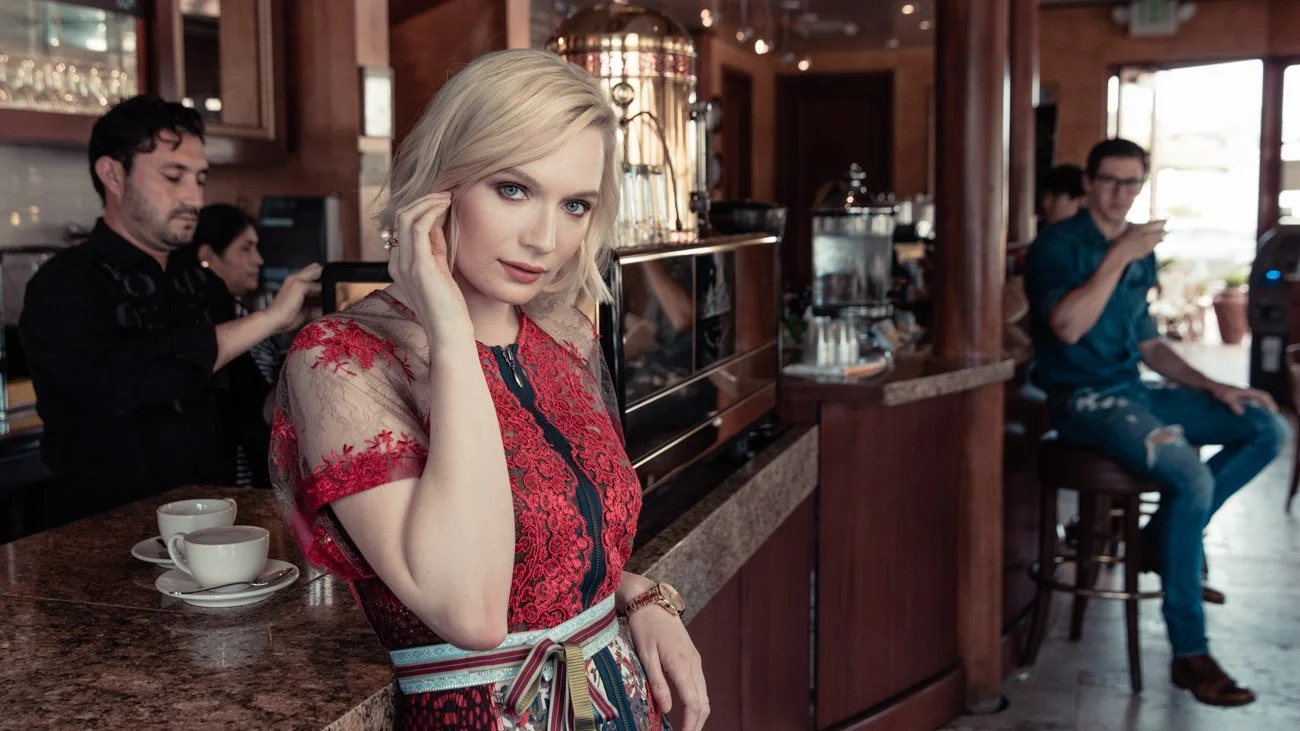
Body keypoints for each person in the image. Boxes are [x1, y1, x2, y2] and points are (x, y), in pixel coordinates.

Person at [270, 49, 708, 729]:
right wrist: (448, 327)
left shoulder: (565, 334)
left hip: (620, 701)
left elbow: (557, 542)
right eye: (512, 188)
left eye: (575, 205)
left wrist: (639, 595)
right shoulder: (340, 360)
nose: (544, 237)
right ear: (441, 182)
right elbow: (472, 608)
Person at [1025, 138, 1289, 707]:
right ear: (1090, 183)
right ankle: (1190, 654)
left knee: (1267, 429)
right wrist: (1117, 254)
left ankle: (1154, 539)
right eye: (1110, 182)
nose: (1121, 194)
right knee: (1189, 476)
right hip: (1081, 402)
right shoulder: (1056, 245)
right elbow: (1068, 327)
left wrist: (1216, 387)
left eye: (1132, 183)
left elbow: (1148, 342)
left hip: (1131, 391)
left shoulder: (1139, 250)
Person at [18, 95, 320, 526]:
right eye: (174, 176)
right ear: (112, 174)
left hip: (211, 529)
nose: (194, 198)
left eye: (199, 179)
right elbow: (121, 384)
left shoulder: (200, 283)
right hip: (100, 536)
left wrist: (315, 349)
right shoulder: (65, 284)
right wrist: (266, 318)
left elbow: (252, 409)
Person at [176, 203, 283, 488]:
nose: (259, 260)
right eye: (245, 248)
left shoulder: (245, 315)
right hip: (226, 488)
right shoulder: (201, 329)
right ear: (207, 257)